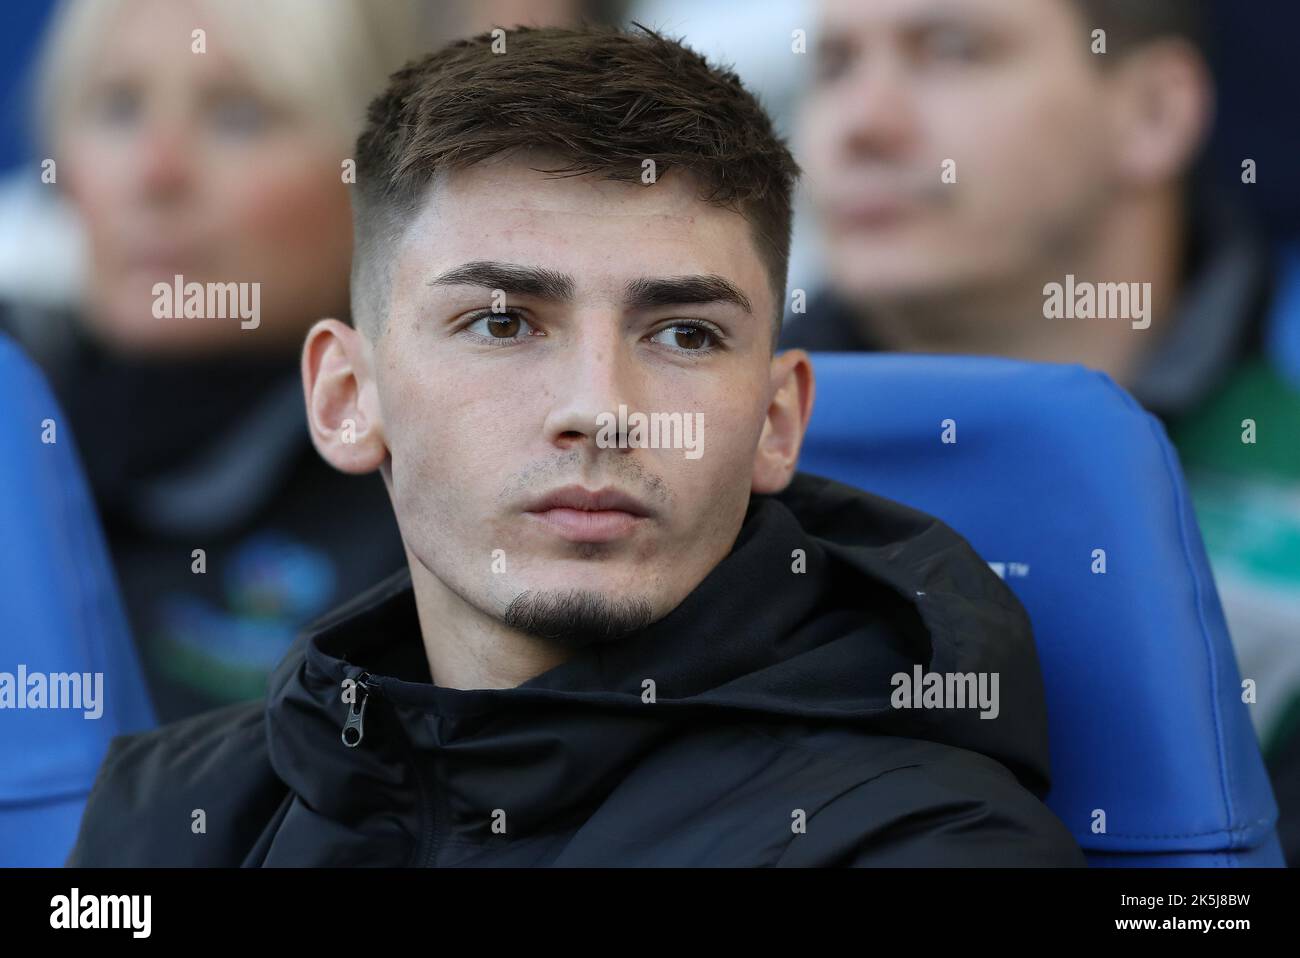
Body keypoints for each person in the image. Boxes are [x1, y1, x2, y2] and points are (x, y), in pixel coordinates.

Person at [68, 24, 1083, 867]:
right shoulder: (168, 817)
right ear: (346, 396)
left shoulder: (923, 844)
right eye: (503, 323)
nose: (600, 408)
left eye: (683, 334)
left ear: (778, 421)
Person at [781, 0, 1300, 862]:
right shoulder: (704, 451)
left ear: (1154, 112)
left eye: (951, 50)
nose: (862, 124)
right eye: (833, 65)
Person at [2, 0, 430, 722]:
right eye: (117, 107)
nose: (156, 172)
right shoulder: (20, 419)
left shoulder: (438, 505)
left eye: (238, 117)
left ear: (377, 178)